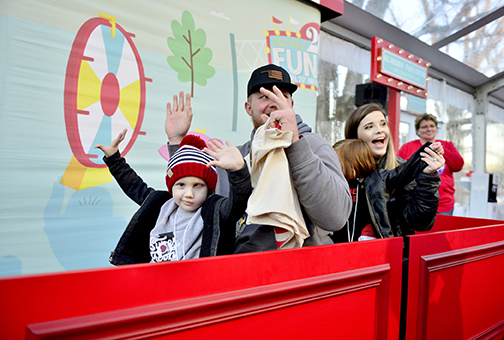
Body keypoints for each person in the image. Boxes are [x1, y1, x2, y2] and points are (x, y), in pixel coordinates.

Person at [165, 64, 352, 252]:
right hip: (243, 271)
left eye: (282, 95)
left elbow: (335, 218)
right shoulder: (236, 157)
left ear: (291, 106)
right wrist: (176, 141)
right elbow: (193, 200)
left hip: (302, 272)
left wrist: (295, 143)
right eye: (264, 96)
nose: (273, 102)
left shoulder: (314, 146)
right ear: (248, 108)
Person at [95, 128, 252, 265]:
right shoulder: (160, 204)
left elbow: (238, 201)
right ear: (171, 187)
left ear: (208, 189)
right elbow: (134, 186)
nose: (188, 194)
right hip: (156, 282)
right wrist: (114, 158)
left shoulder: (215, 210)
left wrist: (238, 171)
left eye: (197, 185)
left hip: (196, 287)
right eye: (181, 185)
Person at [331, 103, 443, 242]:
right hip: (343, 256)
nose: (380, 131)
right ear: (354, 136)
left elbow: (420, 223)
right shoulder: (340, 168)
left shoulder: (401, 168)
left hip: (389, 257)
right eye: (369, 126)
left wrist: (428, 177)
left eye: (383, 124)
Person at [397, 113, 464, 215]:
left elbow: (458, 165)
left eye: (432, 126)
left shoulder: (447, 145)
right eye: (424, 127)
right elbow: (399, 170)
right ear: (417, 131)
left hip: (443, 204)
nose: (429, 129)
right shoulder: (407, 148)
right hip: (415, 202)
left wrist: (440, 149)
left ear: (436, 129)